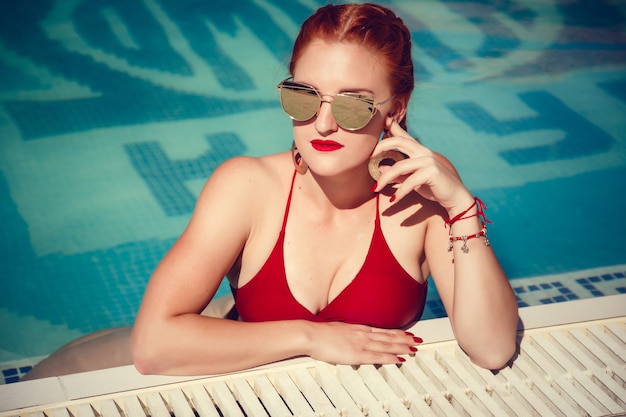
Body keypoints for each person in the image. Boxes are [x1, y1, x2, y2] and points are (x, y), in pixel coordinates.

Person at [22, 2, 517, 380]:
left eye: (352, 106)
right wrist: (309, 338)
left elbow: (492, 348)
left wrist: (460, 207)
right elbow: (152, 346)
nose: (323, 122)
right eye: (303, 97)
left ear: (395, 109)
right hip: (230, 342)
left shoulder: (423, 191)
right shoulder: (248, 185)